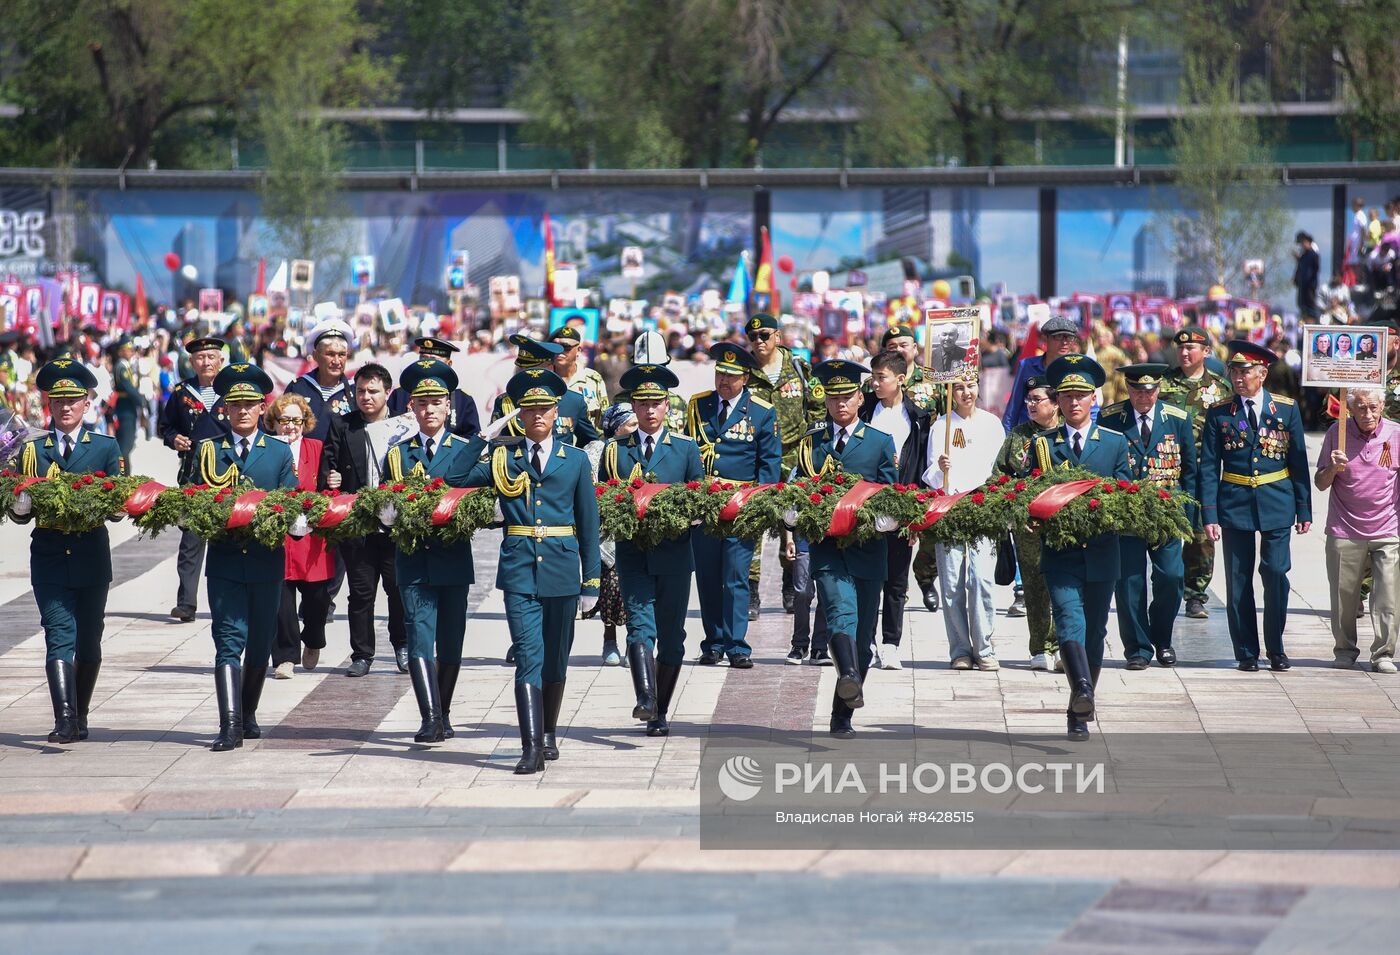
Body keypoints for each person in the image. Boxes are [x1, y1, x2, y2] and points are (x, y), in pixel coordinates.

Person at [382, 358, 505, 745]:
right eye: (422, 402)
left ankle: (445, 711)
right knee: (420, 638)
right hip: (414, 562)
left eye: (437, 401)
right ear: (411, 408)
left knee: (452, 641)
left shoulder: (466, 449)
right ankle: (429, 717)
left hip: (453, 559)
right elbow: (384, 503)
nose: (429, 409)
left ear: (449, 405)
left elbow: (484, 490)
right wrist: (387, 513)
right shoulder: (398, 455)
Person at [490, 368, 602, 773]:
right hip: (519, 570)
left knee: (556, 659)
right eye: (529, 409)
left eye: (545, 409)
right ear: (519, 414)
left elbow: (589, 524)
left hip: (561, 570)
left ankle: (549, 731)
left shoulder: (572, 461)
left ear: (556, 412)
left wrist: (592, 580)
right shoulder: (504, 456)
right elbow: (453, 477)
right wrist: (484, 437)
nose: (537, 415)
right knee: (528, 657)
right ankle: (531, 747)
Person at [13, 360, 123, 743]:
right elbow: (18, 511)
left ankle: (80, 713)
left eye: (73, 400)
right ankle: (63, 719)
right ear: (48, 404)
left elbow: (118, 505)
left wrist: (118, 504)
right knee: (57, 634)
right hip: (49, 553)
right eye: (57, 400)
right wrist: (19, 504)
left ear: (86, 403)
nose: (65, 407)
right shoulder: (33, 449)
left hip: (91, 553)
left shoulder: (106, 447)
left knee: (89, 641)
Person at [791, 360, 898, 737]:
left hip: (869, 549)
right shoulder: (812, 444)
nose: (840, 404)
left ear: (859, 397)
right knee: (839, 612)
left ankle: (843, 712)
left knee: (864, 636)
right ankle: (848, 674)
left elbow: (892, 494)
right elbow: (799, 491)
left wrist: (885, 519)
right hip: (828, 548)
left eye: (847, 396)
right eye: (834, 397)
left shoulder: (879, 442)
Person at [196, 363, 296, 752]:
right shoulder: (209, 452)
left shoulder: (278, 452)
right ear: (224, 408)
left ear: (261, 407)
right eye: (234, 404)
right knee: (227, 640)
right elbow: (192, 498)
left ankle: (249, 713)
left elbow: (290, 500)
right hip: (224, 562)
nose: (241, 411)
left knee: (259, 642)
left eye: (249, 404)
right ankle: (230, 724)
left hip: (265, 560)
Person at [1032, 355, 1131, 740]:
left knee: (1095, 630)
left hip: (1103, 551)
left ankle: (1080, 702)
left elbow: (1125, 493)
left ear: (1095, 398)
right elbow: (1031, 490)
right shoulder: (1044, 445)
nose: (1074, 403)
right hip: (1060, 551)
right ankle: (1083, 692)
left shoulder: (1113, 443)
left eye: (1082, 395)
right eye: (1067, 396)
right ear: (1057, 400)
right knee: (1069, 619)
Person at [601, 365, 703, 735]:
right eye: (641, 403)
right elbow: (605, 498)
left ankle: (660, 709)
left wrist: (678, 515)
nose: (649, 410)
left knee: (673, 636)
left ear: (666, 406)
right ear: (633, 406)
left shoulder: (686, 449)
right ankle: (645, 698)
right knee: (639, 626)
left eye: (655, 403)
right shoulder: (615, 451)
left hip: (674, 554)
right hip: (634, 553)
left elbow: (699, 500)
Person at [1200, 341, 1312, 673]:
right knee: (1237, 581)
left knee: (1276, 573)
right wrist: (1209, 513)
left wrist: (1304, 508)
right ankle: (1246, 650)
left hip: (1277, 500)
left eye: (1245, 371)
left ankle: (1275, 647)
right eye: (1234, 371)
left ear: (1262, 374)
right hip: (1234, 503)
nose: (1238, 377)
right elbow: (1209, 465)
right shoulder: (1220, 412)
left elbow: (1298, 461)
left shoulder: (1286, 409)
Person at [686, 343, 782, 668]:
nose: (724, 381)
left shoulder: (761, 411)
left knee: (736, 577)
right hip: (705, 506)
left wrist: (761, 505)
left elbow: (769, 465)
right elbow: (689, 453)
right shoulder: (698, 406)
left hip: (742, 507)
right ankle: (712, 643)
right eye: (720, 374)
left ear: (746, 377)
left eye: (731, 376)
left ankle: (737, 645)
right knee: (708, 578)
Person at [1099, 364, 1196, 669]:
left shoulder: (1178, 419)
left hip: (1166, 514)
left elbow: (1190, 471)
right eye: (1138, 390)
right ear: (1127, 389)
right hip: (1126, 515)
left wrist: (1190, 517)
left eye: (1150, 390)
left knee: (1172, 576)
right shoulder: (1112, 419)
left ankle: (1163, 638)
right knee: (1129, 584)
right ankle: (1138, 648)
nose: (1144, 396)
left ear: (1159, 389)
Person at [327, 363, 413, 677]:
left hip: (394, 523)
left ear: (387, 392)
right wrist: (331, 476)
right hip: (359, 523)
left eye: (373, 391)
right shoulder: (343, 425)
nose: (366, 397)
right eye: (361, 391)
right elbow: (329, 460)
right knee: (361, 593)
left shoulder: (403, 425)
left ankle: (402, 645)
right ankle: (362, 654)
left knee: (397, 588)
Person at [742, 313, 824, 618]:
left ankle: (790, 586)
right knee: (752, 522)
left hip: (793, 454)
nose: (759, 341)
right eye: (753, 337)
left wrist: (812, 451)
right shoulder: (744, 371)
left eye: (765, 335)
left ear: (778, 336)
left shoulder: (799, 369)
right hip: (756, 455)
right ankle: (751, 591)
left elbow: (816, 409)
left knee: (792, 521)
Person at [1315, 389, 1400, 674]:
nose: (1368, 414)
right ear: (1349, 409)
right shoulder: (1335, 434)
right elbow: (1320, 482)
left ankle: (1383, 653)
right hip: (1345, 527)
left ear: (1383, 406)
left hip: (1387, 528)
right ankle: (1344, 649)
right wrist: (1334, 469)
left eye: (1373, 407)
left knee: (1388, 595)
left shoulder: (1396, 434)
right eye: (1361, 408)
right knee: (1344, 596)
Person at [925, 378, 1005, 670]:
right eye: (958, 387)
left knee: (982, 579)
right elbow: (930, 474)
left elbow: (1000, 469)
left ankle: (984, 646)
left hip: (983, 508)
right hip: (950, 509)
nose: (965, 392)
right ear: (950, 392)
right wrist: (940, 468)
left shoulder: (992, 424)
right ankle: (960, 648)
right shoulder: (941, 425)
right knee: (952, 583)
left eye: (970, 385)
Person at [859, 351, 931, 669]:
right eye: (873, 377)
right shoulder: (864, 413)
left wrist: (915, 517)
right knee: (867, 579)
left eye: (881, 377)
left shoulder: (918, 419)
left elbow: (922, 468)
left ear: (900, 379)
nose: (875, 383)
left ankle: (891, 643)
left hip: (902, 510)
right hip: (866, 508)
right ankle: (866, 642)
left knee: (896, 581)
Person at [1159, 326, 1233, 620]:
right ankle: (1165, 587)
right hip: (1167, 467)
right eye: (1181, 348)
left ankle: (1195, 595)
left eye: (1192, 348)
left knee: (1201, 533)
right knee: (1165, 530)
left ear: (1206, 352)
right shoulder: (1162, 384)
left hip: (1205, 469)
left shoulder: (1220, 387)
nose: (1185, 353)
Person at [873, 324, 945, 612]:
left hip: (929, 459)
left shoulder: (934, 380)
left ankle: (926, 577)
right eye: (892, 346)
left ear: (915, 349)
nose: (899, 349)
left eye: (904, 344)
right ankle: (895, 587)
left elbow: (949, 414)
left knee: (928, 528)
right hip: (894, 465)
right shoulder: (877, 385)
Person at [160, 336, 229, 622]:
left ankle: (226, 601)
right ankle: (186, 603)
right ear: (191, 362)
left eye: (211, 357)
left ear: (221, 361)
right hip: (193, 475)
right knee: (191, 538)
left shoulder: (233, 390)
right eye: (200, 358)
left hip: (229, 473)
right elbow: (166, 426)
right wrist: (173, 438)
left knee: (227, 540)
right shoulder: (181, 392)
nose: (206, 362)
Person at [266, 394, 335, 680]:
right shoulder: (266, 449)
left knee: (318, 600)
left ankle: (315, 639)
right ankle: (284, 657)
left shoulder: (317, 448)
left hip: (312, 536)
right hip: (278, 535)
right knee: (281, 600)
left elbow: (329, 486)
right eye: (284, 420)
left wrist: (331, 487)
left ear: (305, 422)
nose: (290, 427)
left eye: (296, 420)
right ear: (274, 422)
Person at [995, 374, 1060, 671]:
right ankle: (1040, 647)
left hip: (1064, 522)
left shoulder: (1065, 433)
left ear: (1055, 403)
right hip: (1028, 523)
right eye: (1028, 400)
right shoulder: (1018, 436)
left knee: (1064, 584)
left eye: (1038, 399)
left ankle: (1063, 644)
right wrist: (1010, 510)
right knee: (1034, 586)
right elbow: (999, 475)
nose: (1031, 405)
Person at [490, 334, 601, 448]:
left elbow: (590, 443)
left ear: (549, 368)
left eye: (531, 370)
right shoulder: (506, 402)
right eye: (521, 369)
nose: (524, 374)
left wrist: (574, 462)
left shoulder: (574, 401)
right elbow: (495, 441)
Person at [589, 403, 636, 666]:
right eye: (630, 425)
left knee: (632, 590)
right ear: (615, 427)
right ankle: (609, 640)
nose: (635, 430)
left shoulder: (634, 448)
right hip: (604, 531)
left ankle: (635, 640)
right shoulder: (596, 450)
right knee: (609, 588)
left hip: (632, 527)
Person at [384, 337, 481, 438]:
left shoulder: (463, 400)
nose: (428, 365)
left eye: (434, 361)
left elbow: (472, 439)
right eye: (424, 359)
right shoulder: (400, 395)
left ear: (449, 364)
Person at [1002, 314, 1081, 432]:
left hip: (1063, 437)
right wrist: (1008, 440)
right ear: (1045, 338)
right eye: (1058, 337)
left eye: (1069, 337)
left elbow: (1089, 408)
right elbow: (1014, 407)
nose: (1065, 342)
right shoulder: (1027, 366)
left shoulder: (1078, 368)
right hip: (1029, 437)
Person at [285, 319, 354, 442]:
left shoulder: (355, 390)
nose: (337, 361)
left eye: (342, 354)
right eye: (330, 354)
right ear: (316, 355)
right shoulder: (298, 388)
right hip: (304, 459)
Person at [550, 325, 611, 430]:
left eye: (566, 347)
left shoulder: (593, 380)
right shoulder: (544, 380)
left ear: (578, 350)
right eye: (555, 347)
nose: (559, 351)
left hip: (588, 444)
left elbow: (604, 419)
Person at [108, 336, 143, 475]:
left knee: (127, 444)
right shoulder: (121, 367)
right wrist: (141, 401)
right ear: (120, 352)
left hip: (128, 407)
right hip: (125, 408)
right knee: (125, 446)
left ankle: (124, 473)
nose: (131, 352)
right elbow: (127, 387)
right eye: (127, 350)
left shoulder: (125, 366)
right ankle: (123, 474)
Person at [1294, 231, 1321, 320]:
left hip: (1310, 285)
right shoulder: (1303, 256)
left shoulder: (1313, 254)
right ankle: (1305, 319)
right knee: (1302, 304)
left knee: (1310, 306)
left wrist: (1311, 282)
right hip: (1303, 285)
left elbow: (1315, 269)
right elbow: (1300, 269)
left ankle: (1313, 320)